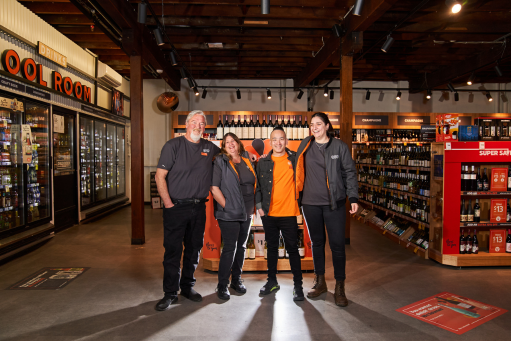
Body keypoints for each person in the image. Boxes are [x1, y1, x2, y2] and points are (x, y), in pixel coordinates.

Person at [154, 110, 221, 311]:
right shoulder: (172, 146)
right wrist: (168, 204)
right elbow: (160, 176)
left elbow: (230, 156)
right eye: (194, 122)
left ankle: (187, 287)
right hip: (175, 207)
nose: (198, 126)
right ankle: (170, 293)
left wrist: (251, 157)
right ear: (186, 124)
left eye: (202, 124)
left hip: (199, 207)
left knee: (193, 250)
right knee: (173, 251)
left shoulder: (210, 148)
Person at [295, 112, 358, 307]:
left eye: (319, 124)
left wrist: (353, 196)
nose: (315, 127)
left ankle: (340, 286)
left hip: (334, 203)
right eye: (312, 124)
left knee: (338, 245)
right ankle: (320, 282)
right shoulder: (305, 144)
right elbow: (293, 164)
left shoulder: (339, 146)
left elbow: (349, 172)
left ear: (327, 126)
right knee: (317, 243)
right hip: (310, 203)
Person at [255, 127, 304, 301]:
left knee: (292, 250)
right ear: (270, 141)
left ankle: (298, 286)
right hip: (269, 213)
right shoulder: (263, 162)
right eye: (274, 139)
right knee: (272, 249)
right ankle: (272, 281)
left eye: (281, 139)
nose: (278, 142)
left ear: (286, 140)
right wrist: (259, 207)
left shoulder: (295, 158)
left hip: (289, 213)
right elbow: (258, 186)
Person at [210, 133, 256, 300]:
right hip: (229, 213)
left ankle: (236, 280)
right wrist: (227, 206)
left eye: (233, 141)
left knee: (242, 247)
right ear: (223, 146)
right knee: (230, 247)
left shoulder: (246, 160)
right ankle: (222, 285)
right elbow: (214, 188)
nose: (230, 144)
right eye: (226, 142)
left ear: (238, 143)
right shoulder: (220, 161)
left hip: (247, 212)